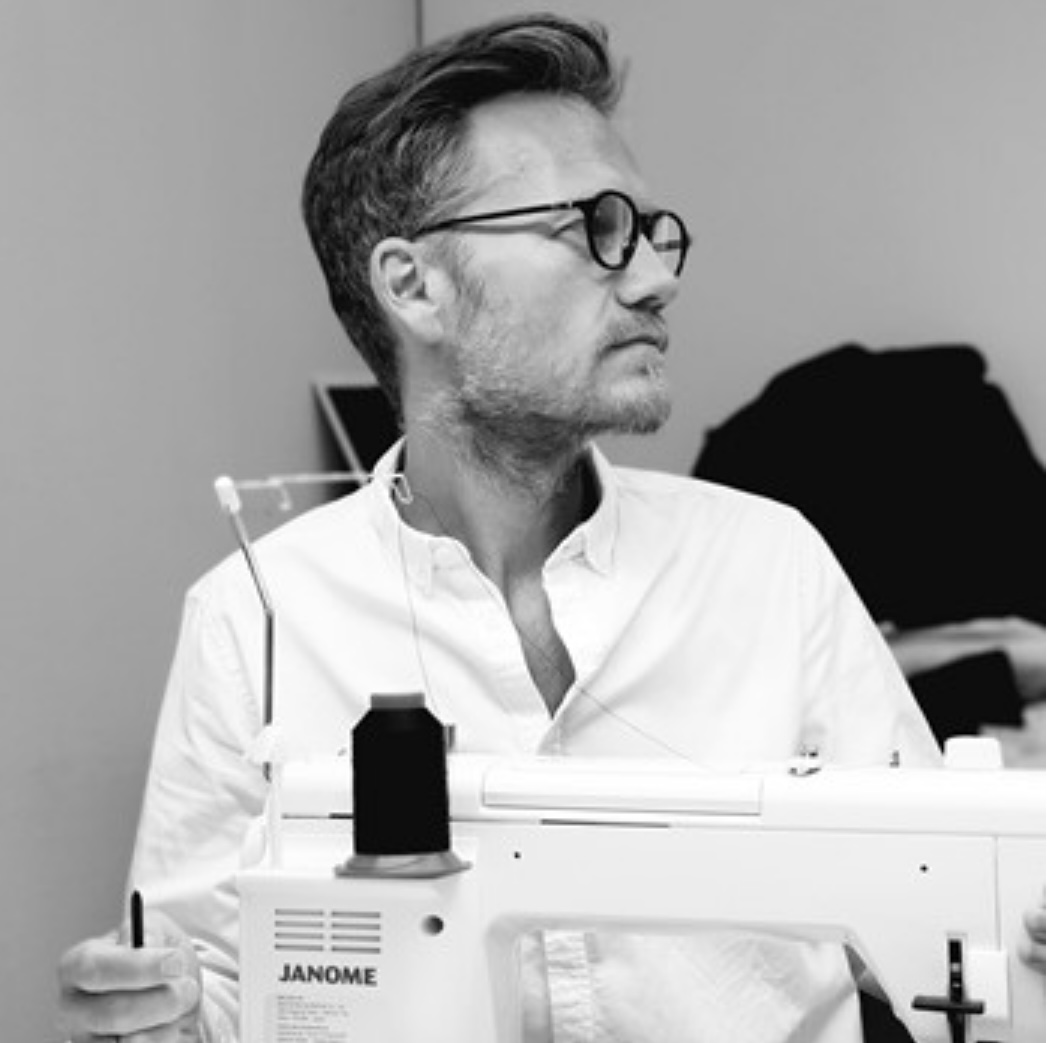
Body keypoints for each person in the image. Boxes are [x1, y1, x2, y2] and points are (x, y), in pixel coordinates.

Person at [56, 13, 1045, 1043]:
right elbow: (218, 988)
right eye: (596, 227)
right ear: (414, 286)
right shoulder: (254, 618)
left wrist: (1022, 938)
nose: (656, 278)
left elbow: (953, 934)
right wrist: (153, 1011)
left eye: (655, 232)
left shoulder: (771, 563)